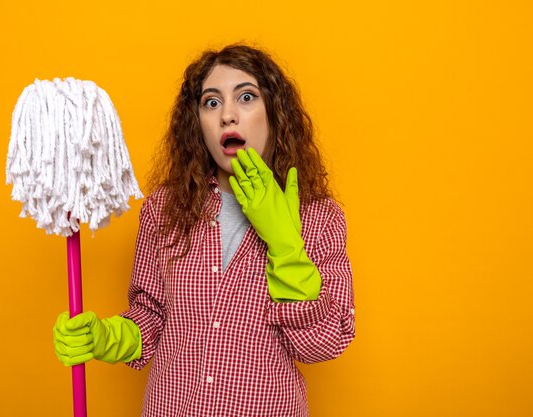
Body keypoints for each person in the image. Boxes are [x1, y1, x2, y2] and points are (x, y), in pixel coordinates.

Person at [53, 44, 355, 417]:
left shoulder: (319, 218)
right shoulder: (165, 209)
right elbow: (151, 314)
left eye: (246, 97)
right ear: (197, 123)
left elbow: (323, 345)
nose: (228, 115)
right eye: (211, 103)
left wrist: (285, 244)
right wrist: (110, 338)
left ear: (275, 114)